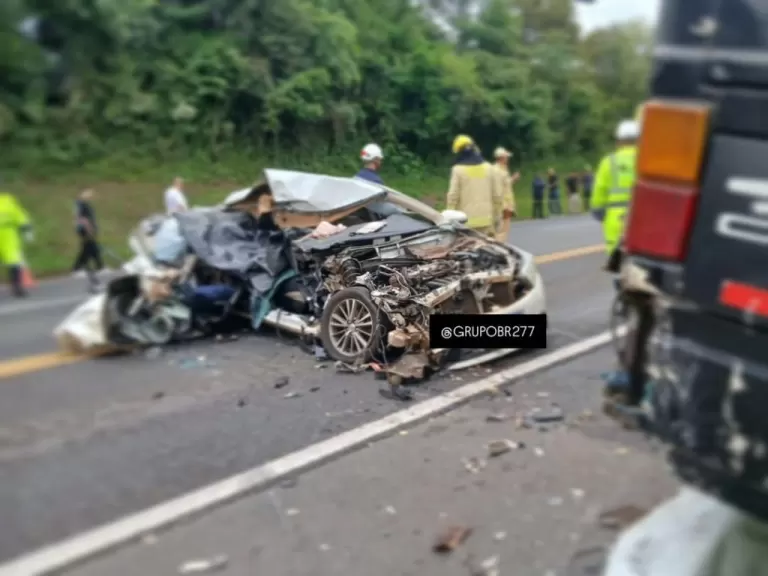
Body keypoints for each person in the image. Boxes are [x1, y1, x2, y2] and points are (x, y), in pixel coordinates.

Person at [590, 119, 639, 257]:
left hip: (616, 219)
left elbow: (599, 191)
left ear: (619, 141)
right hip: (643, 218)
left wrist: (598, 211)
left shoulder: (608, 162)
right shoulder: (648, 160)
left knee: (617, 260)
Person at [445, 135, 501, 236]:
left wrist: (449, 216)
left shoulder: (458, 170)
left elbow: (453, 196)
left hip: (465, 222)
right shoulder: (488, 168)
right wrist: (497, 217)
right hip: (486, 220)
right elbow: (497, 195)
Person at [0, 187, 33, 298]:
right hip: (8, 233)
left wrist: (26, 228)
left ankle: (17, 287)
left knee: (14, 260)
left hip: (9, 233)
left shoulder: (8, 200)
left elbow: (19, 215)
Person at [72, 189, 104, 293]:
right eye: (88, 193)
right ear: (82, 194)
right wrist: (89, 229)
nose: (90, 195)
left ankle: (100, 266)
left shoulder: (85, 204)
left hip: (88, 229)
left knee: (92, 248)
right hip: (85, 230)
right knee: (87, 249)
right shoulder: (81, 205)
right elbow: (82, 219)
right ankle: (77, 268)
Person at [492, 146, 519, 242]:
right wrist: (513, 179)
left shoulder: (497, 169)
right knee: (502, 230)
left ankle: (499, 244)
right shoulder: (499, 170)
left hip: (500, 203)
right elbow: (502, 187)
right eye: (506, 157)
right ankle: (500, 246)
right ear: (502, 158)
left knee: (499, 230)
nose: (507, 159)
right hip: (504, 204)